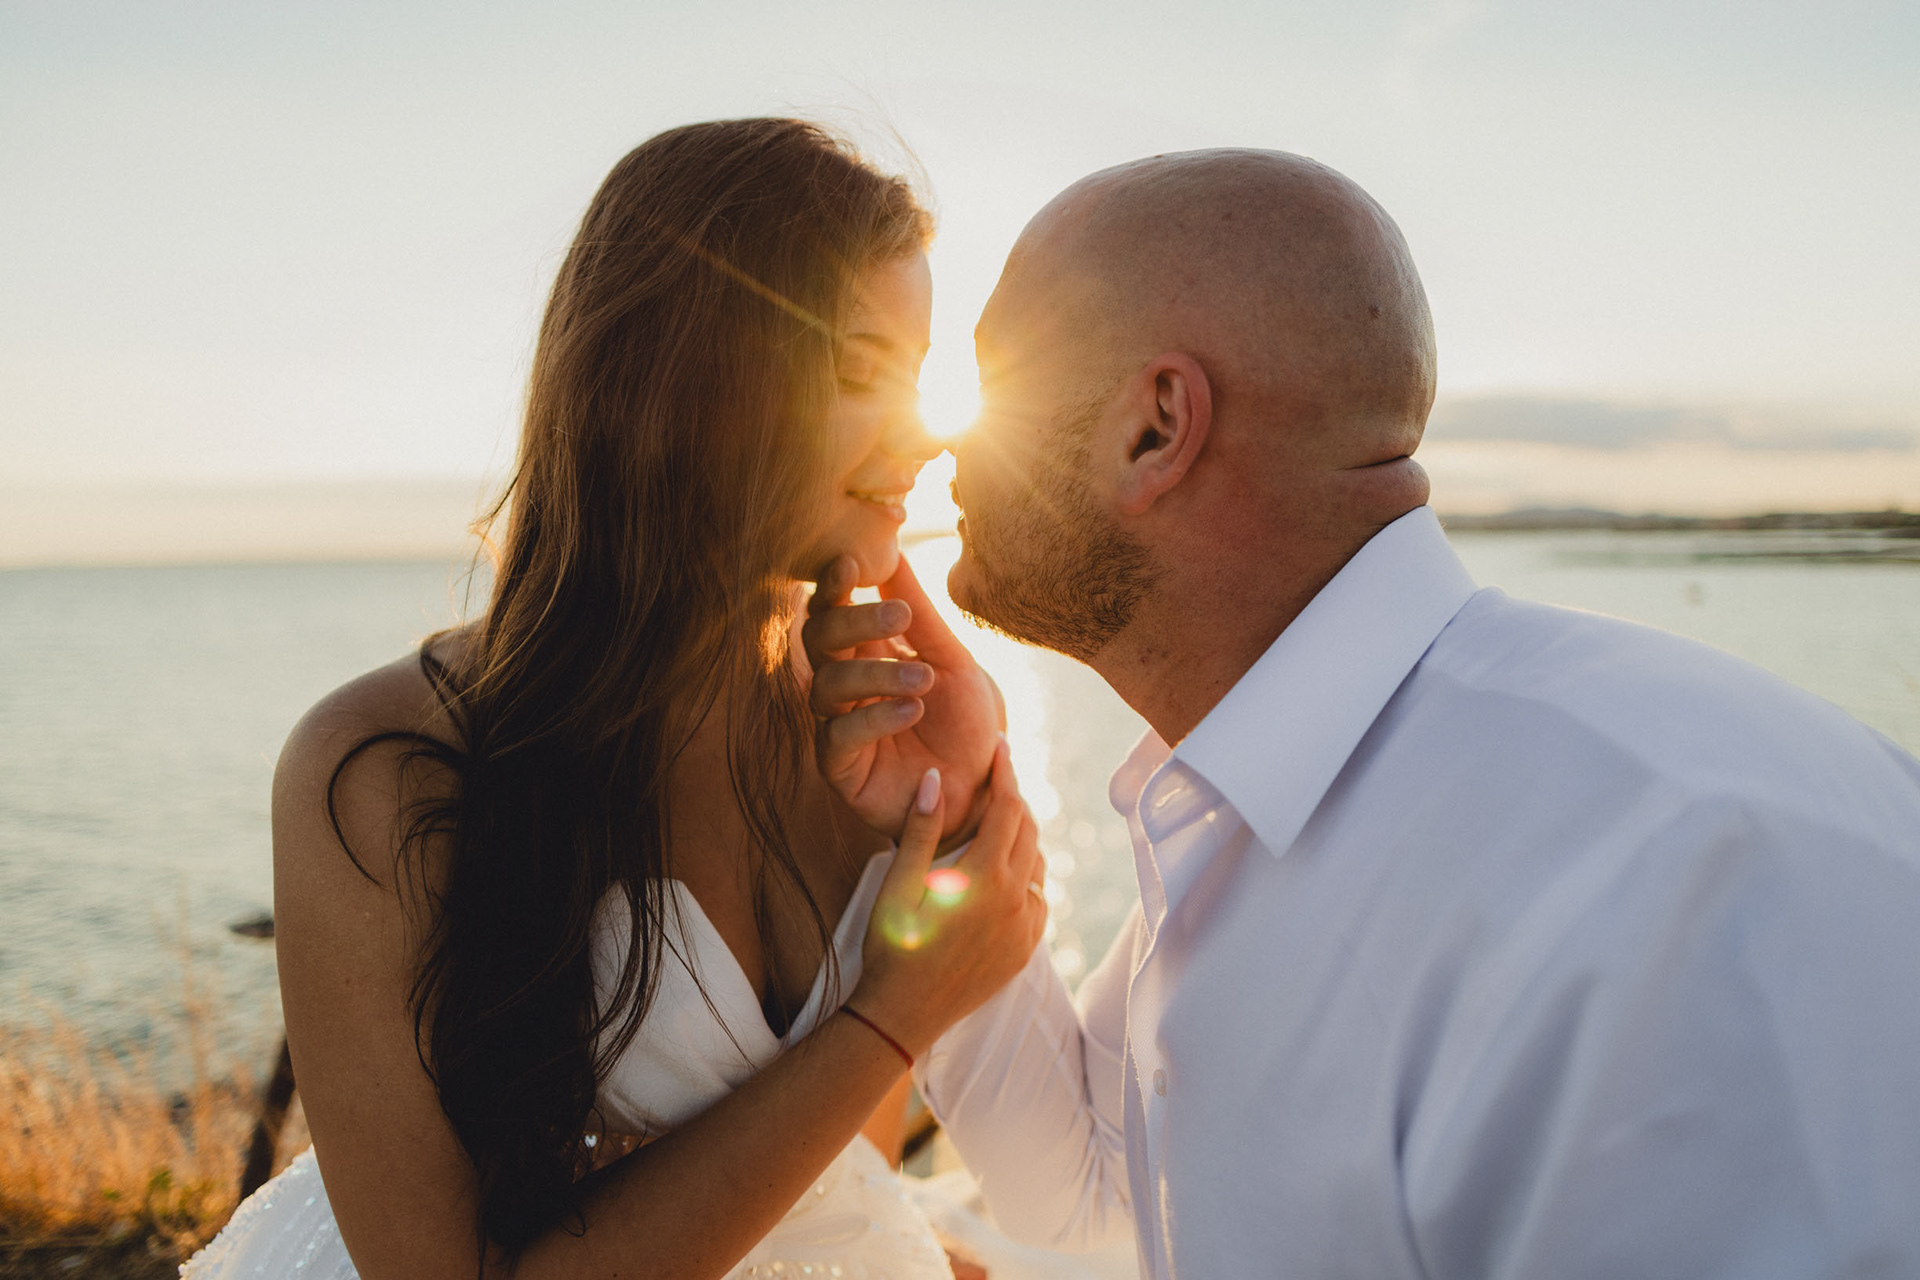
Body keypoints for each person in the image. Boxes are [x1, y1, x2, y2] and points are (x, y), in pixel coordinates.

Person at [810, 149, 1920, 1277]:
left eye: (1003, 377)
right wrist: (947, 817)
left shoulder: (1656, 886)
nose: (946, 439)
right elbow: (1095, 1184)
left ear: (1155, 427)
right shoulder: (1250, 797)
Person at [181, 118, 1053, 1280]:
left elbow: (845, 1172)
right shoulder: (386, 768)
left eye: (921, 372)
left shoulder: (858, 740)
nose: (925, 434)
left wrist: (953, 782)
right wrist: (891, 1015)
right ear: (683, 381)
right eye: (858, 371)